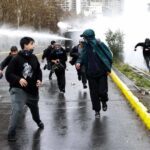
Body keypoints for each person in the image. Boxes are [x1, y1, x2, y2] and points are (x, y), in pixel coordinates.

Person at [5, 37, 44, 142]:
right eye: (32, 44)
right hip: (18, 90)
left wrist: (39, 80)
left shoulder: (34, 58)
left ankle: (38, 121)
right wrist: (19, 79)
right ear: (25, 45)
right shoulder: (16, 58)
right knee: (17, 109)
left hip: (32, 91)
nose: (34, 45)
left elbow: (38, 71)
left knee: (35, 110)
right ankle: (11, 133)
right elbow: (8, 74)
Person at [76, 29, 113, 118]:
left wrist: (108, 68)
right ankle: (97, 110)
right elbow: (82, 56)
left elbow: (108, 55)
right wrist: (78, 62)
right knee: (94, 93)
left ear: (89, 37)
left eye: (85, 37)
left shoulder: (100, 44)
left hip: (102, 73)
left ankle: (104, 101)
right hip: (90, 74)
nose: (84, 39)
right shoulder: (86, 46)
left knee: (102, 92)